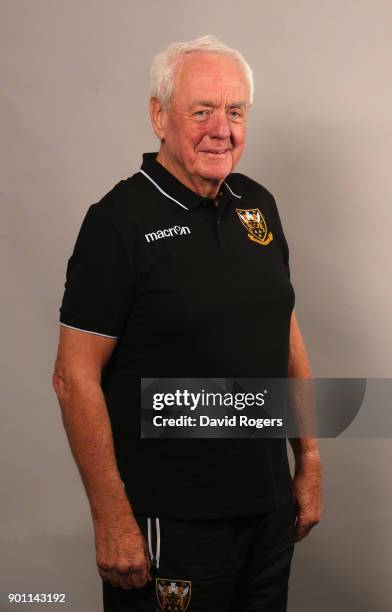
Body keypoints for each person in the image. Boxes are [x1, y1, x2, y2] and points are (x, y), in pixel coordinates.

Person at [52, 35, 322, 612]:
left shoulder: (258, 204)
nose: (220, 129)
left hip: (269, 511)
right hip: (172, 523)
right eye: (201, 111)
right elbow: (73, 378)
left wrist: (311, 461)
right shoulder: (117, 222)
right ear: (159, 116)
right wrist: (112, 518)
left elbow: (286, 330)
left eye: (235, 111)